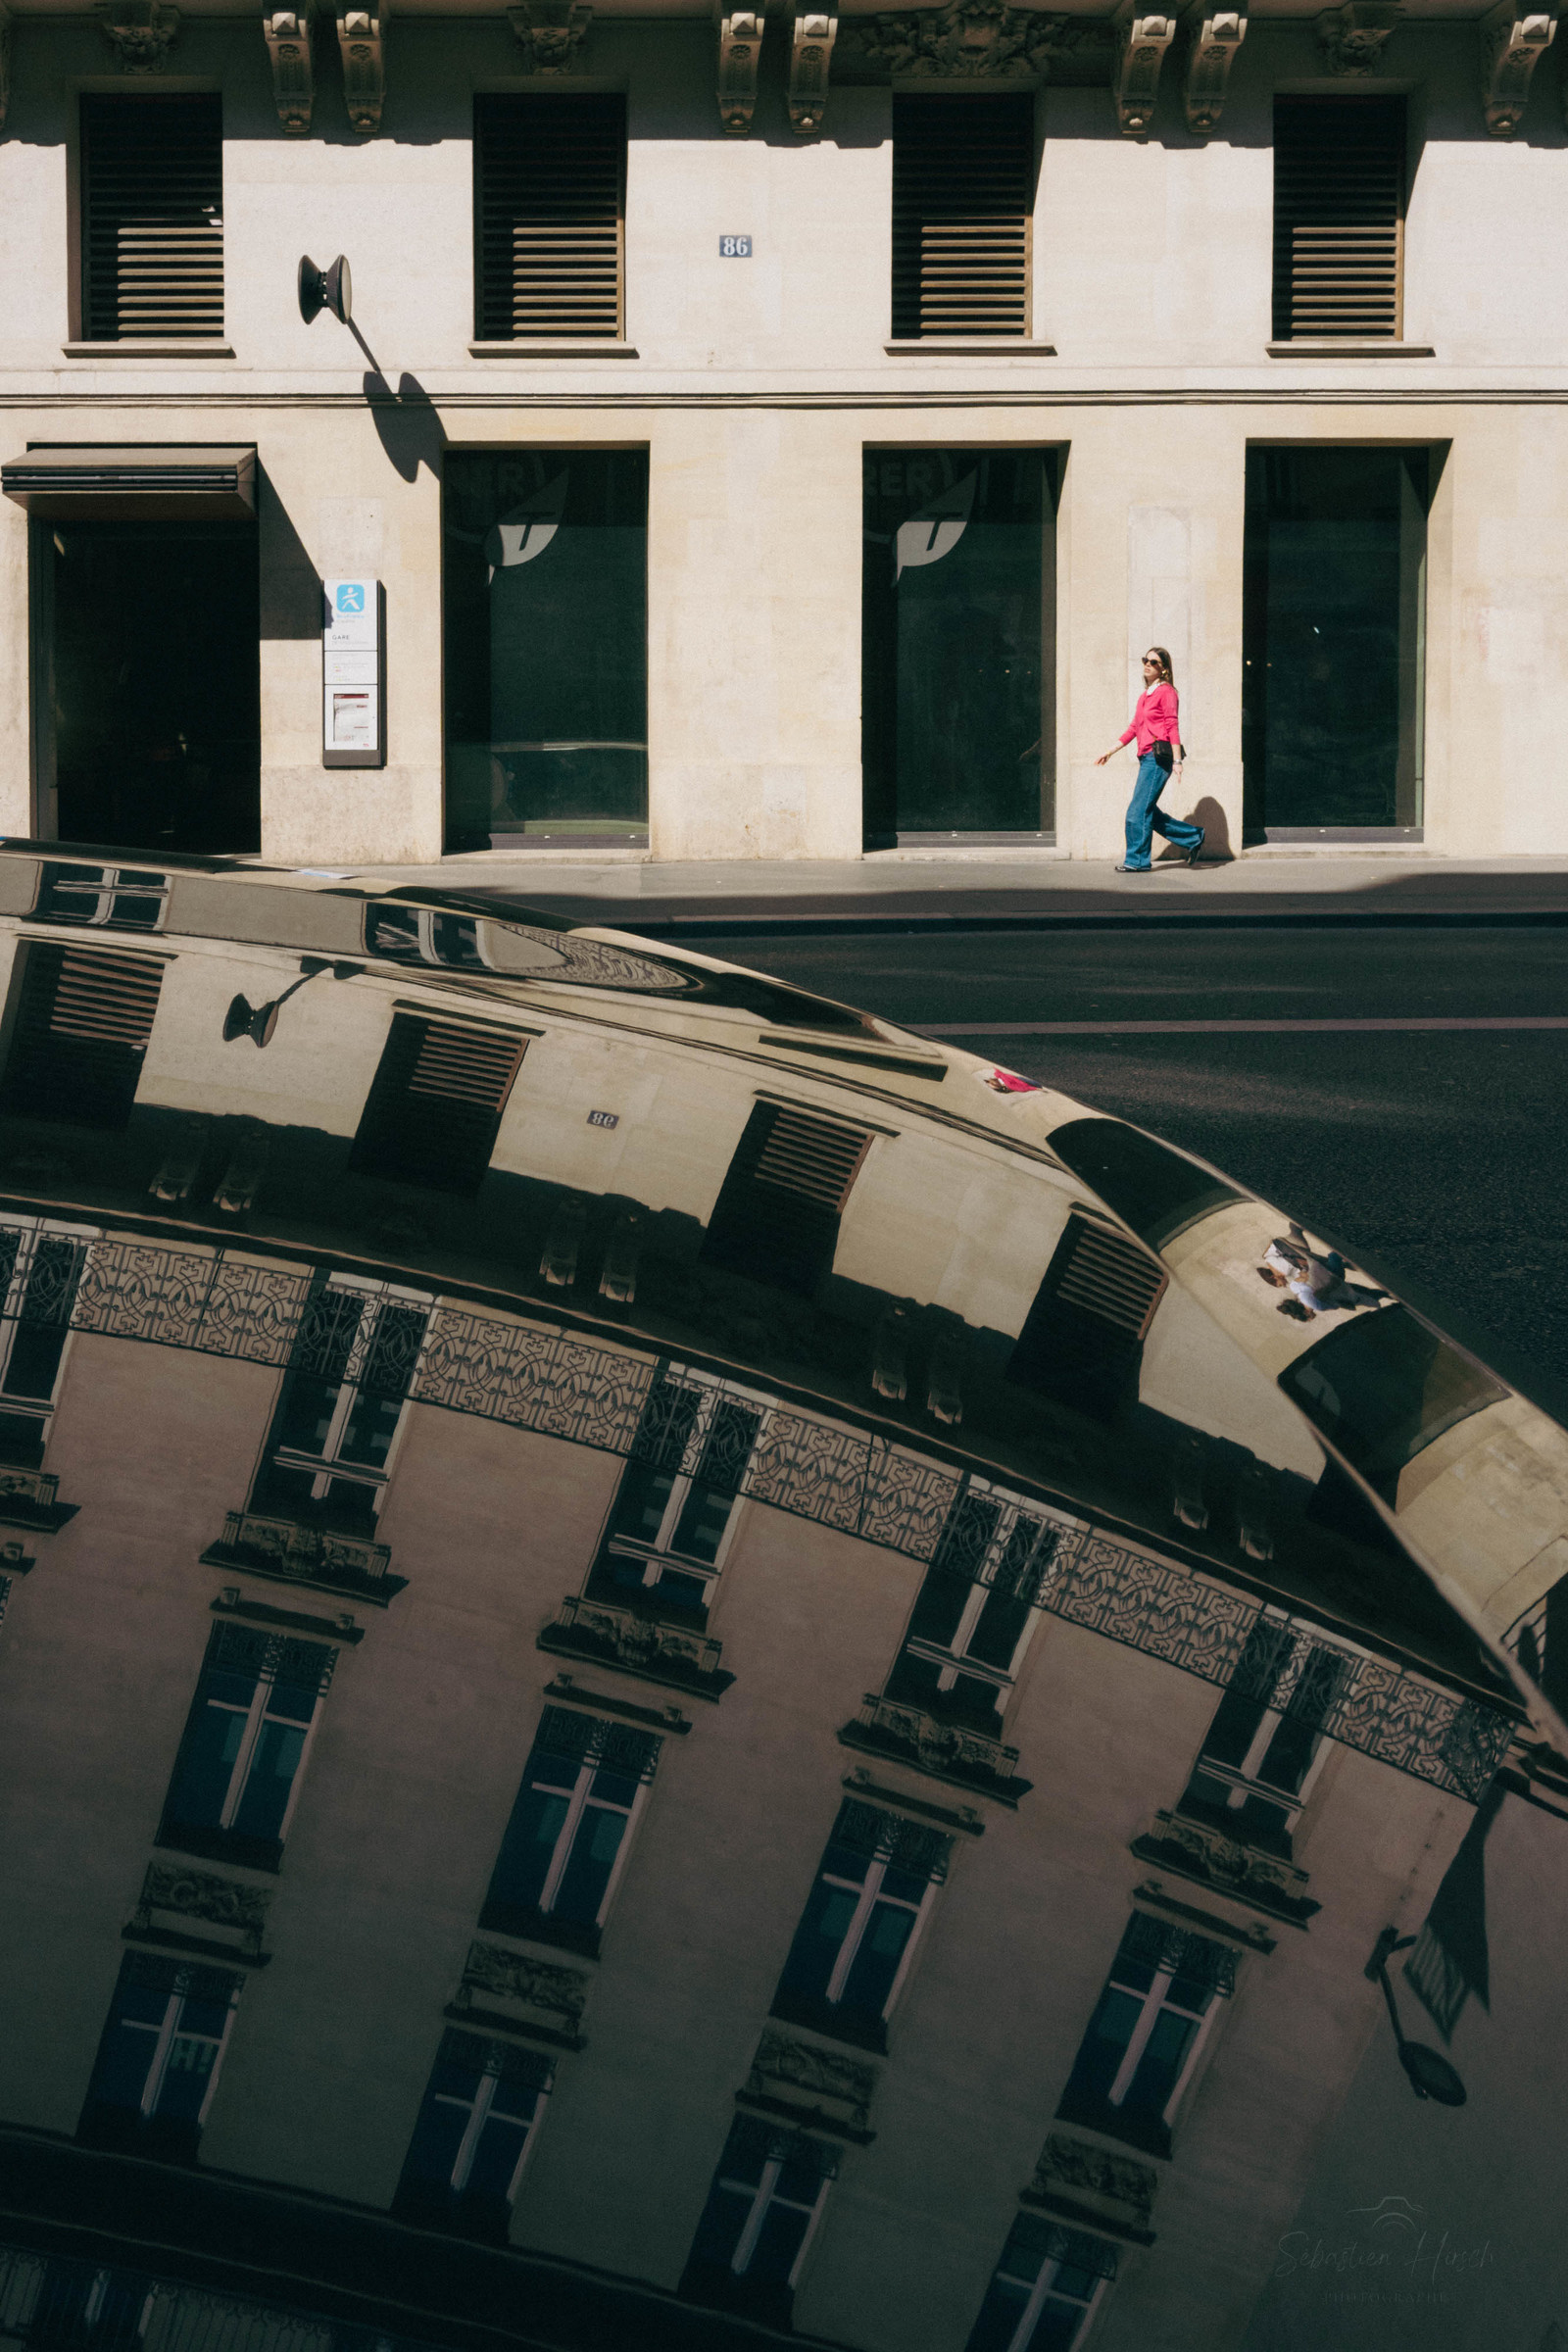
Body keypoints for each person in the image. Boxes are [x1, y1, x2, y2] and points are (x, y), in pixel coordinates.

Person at [1095, 647, 1205, 874]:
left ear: (1163, 669)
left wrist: (1177, 761)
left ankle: (1137, 861)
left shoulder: (1167, 692)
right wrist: (1110, 750)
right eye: (1146, 660)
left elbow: (1172, 726)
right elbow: (1134, 728)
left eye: (1154, 662)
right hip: (1145, 758)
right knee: (1147, 811)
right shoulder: (1145, 696)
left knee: (1137, 812)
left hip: (1158, 759)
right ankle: (1193, 837)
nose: (1147, 664)